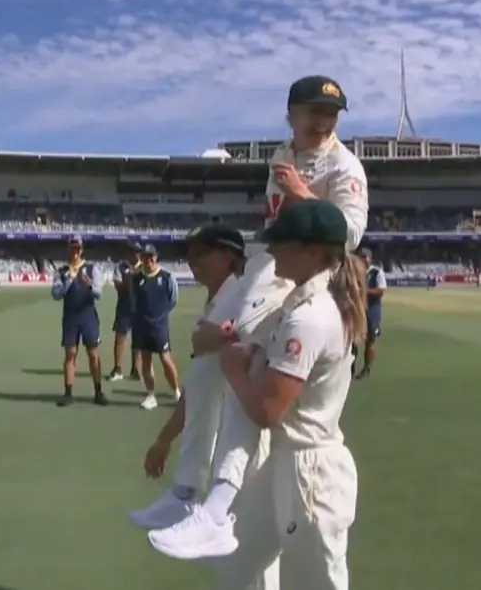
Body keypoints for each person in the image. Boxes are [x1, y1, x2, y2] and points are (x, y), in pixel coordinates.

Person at [147, 75, 368, 567]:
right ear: (290, 112)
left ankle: (216, 507)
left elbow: (347, 236)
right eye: (311, 111)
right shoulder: (279, 155)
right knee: (205, 353)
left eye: (329, 114)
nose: (321, 121)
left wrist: (302, 192)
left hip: (308, 274)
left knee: (237, 366)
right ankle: (188, 489)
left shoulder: (343, 167)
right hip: (271, 262)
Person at [167, 200, 365, 589]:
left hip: (310, 473)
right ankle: (214, 515)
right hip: (283, 462)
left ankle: (212, 513)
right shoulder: (303, 303)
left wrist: (234, 369)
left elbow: (268, 409)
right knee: (240, 567)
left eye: (281, 244)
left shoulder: (311, 316)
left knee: (317, 582)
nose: (271, 252)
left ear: (310, 252)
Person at [132, 224, 246, 529]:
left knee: (248, 564)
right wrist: (163, 440)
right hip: (218, 456)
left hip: (239, 461)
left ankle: (187, 496)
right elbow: (199, 386)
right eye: (189, 254)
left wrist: (213, 336)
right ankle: (184, 493)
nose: (192, 261)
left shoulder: (241, 297)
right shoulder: (218, 301)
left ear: (227, 256)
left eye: (201, 253)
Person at [51, 237, 108, 407]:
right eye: (72, 248)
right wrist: (68, 280)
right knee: (70, 354)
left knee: (93, 354)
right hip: (70, 317)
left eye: (78, 248)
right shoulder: (61, 271)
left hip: (88, 316)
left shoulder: (91, 269)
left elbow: (99, 293)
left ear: (81, 250)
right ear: (68, 249)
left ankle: (98, 391)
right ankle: (68, 393)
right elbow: (55, 294)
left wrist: (89, 285)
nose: (75, 252)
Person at [132, 244, 181, 411]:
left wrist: (161, 316)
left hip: (159, 326)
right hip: (142, 326)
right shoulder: (136, 278)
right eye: (146, 256)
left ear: (156, 257)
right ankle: (151, 395)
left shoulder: (167, 277)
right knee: (146, 361)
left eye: (152, 256)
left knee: (166, 360)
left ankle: (176, 392)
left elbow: (173, 300)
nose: (149, 259)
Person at [107, 246, 142, 382]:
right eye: (134, 252)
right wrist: (130, 277)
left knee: (138, 341)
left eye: (138, 252)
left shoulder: (144, 267)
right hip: (124, 307)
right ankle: (118, 369)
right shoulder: (120, 267)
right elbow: (118, 286)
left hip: (140, 308)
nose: (136, 255)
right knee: (120, 339)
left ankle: (136, 369)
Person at [353, 247, 385, 380]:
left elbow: (381, 290)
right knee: (352, 340)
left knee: (370, 340)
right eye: (361, 256)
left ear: (370, 259)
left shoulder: (376, 272)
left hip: (372, 310)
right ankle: (350, 368)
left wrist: (364, 291)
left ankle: (366, 368)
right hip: (355, 308)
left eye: (365, 257)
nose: (363, 259)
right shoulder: (353, 271)